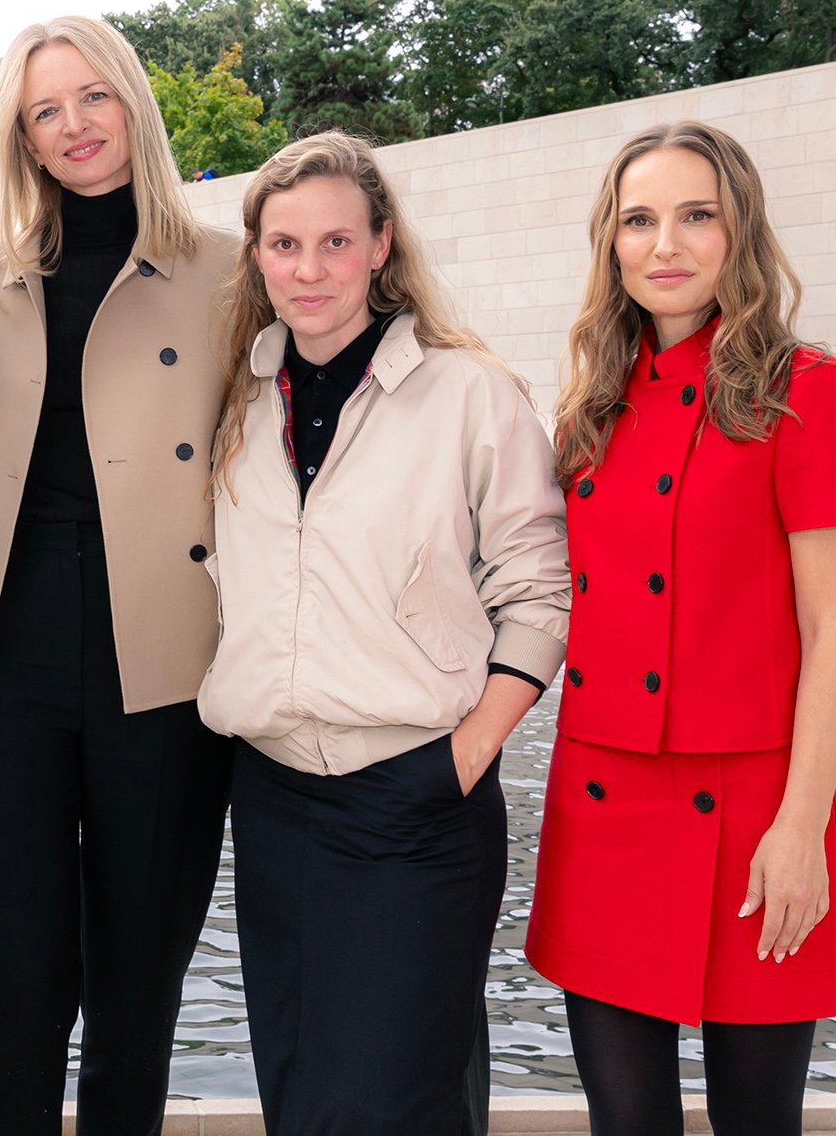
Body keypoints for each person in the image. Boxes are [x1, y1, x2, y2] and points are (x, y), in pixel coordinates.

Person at [197, 131, 571, 1133]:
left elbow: (537, 589)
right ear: (256, 255)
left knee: (397, 1093)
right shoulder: (231, 402)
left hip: (415, 791)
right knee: (302, 1087)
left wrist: (466, 750)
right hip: (272, 795)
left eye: (332, 241)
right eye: (283, 244)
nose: (307, 269)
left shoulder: (469, 393)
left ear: (380, 245)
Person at [525, 121, 836, 1135]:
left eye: (695, 215)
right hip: (603, 802)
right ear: (610, 242)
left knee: (756, 1123)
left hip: (757, 811)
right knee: (623, 1123)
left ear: (739, 232)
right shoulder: (589, 409)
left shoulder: (810, 393)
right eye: (638, 219)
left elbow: (832, 634)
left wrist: (801, 826)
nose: (664, 243)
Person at [0, 15, 237, 1134]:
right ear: (21, 135)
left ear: (132, 102)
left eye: (91, 97)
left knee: (137, 979)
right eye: (42, 110)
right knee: (11, 976)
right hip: (4, 644)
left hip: (159, 642)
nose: (72, 126)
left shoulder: (226, 267)